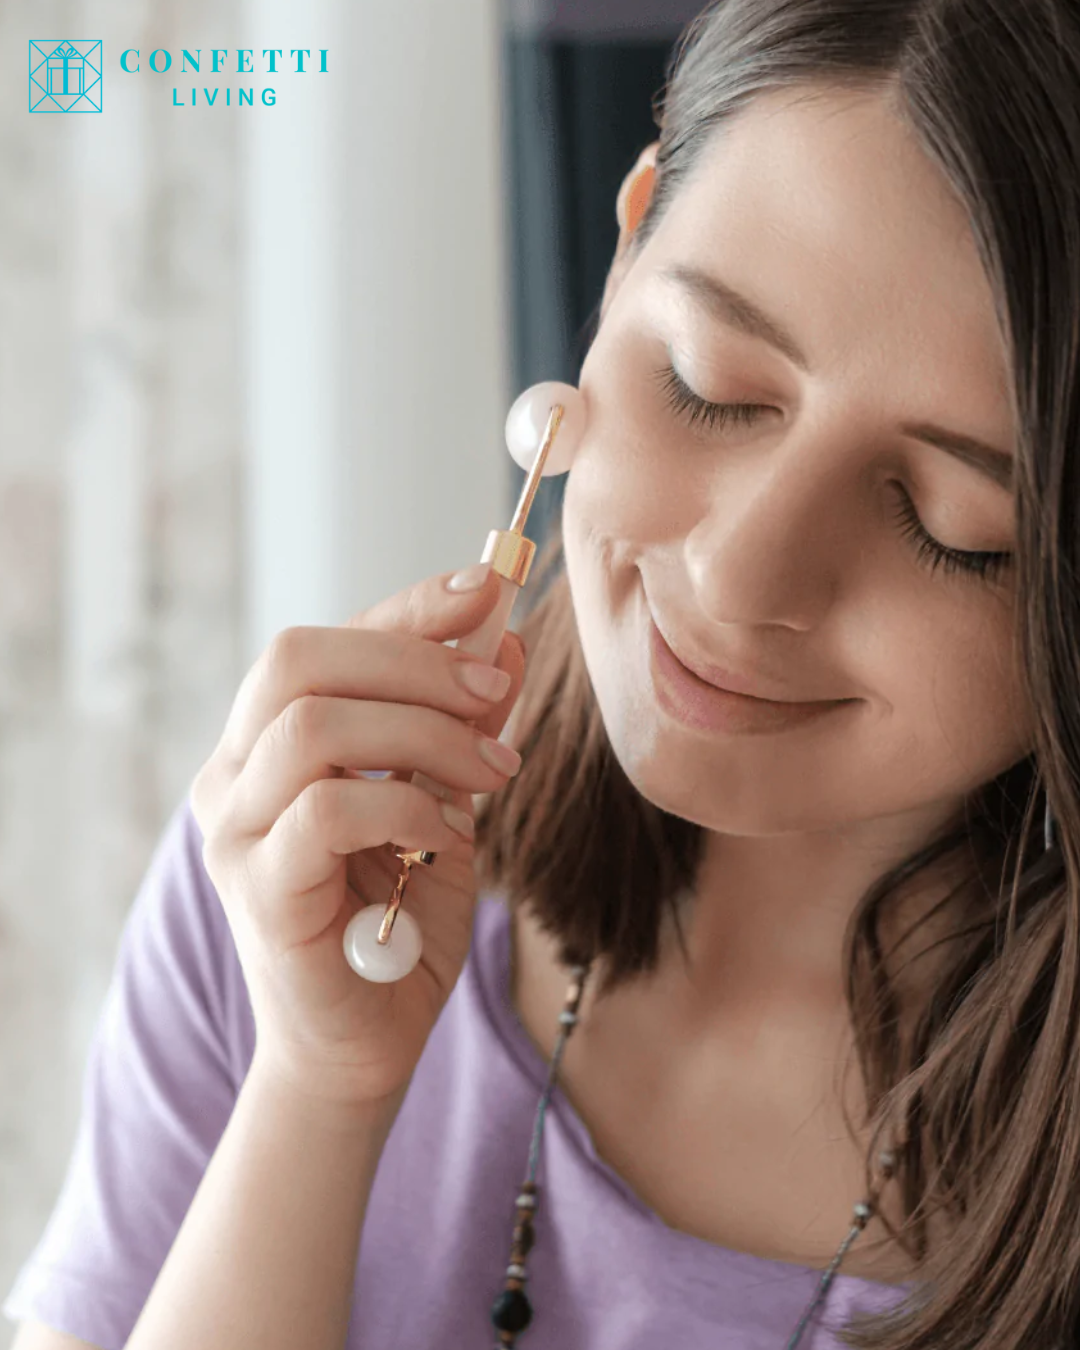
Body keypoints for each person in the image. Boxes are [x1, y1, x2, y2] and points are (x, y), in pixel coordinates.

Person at [6, 0, 1080, 1345]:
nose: (743, 575)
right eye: (710, 382)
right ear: (630, 240)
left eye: (947, 523)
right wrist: (319, 1086)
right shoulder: (309, 845)